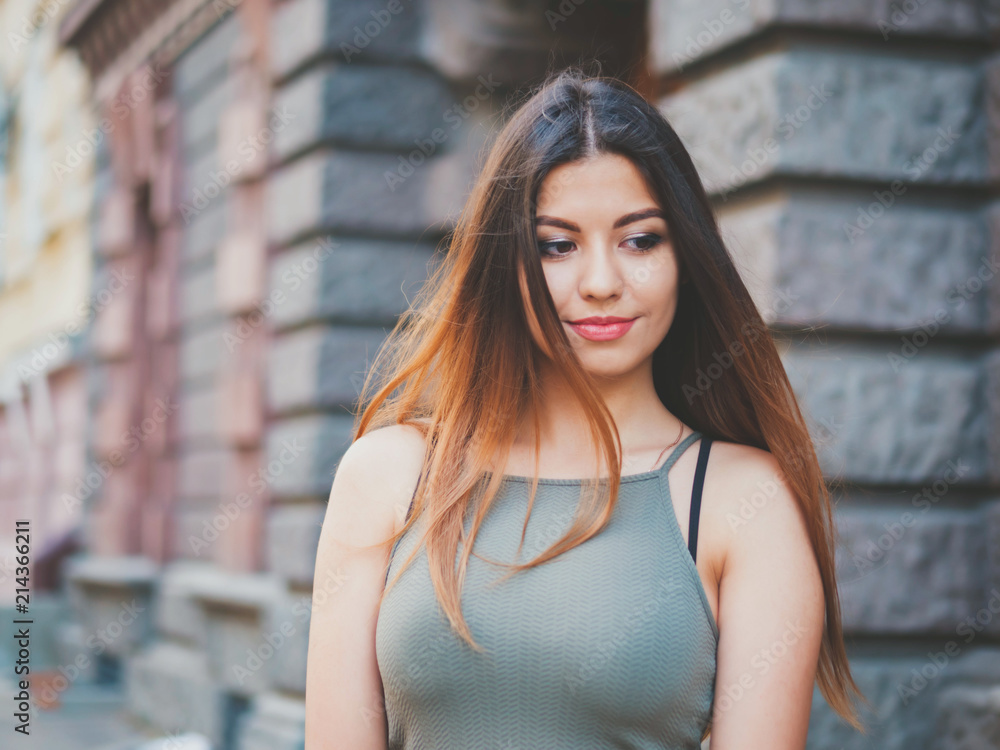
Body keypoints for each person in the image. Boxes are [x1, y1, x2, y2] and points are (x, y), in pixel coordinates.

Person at [304, 66, 872, 749]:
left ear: (685, 259)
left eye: (640, 240)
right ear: (505, 263)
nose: (602, 282)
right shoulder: (387, 476)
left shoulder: (742, 501)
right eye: (557, 245)